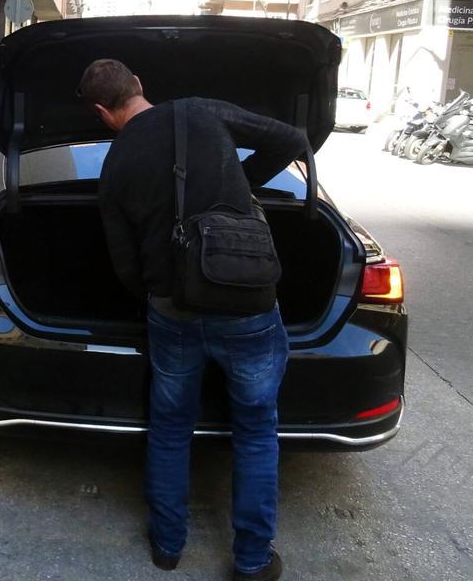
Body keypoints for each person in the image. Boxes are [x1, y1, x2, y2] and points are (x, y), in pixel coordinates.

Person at [76, 59, 307, 581]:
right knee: (254, 431)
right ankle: (252, 560)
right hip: (248, 308)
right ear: (140, 86)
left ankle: (167, 546)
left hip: (173, 313)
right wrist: (237, 192)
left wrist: (162, 293)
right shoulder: (202, 112)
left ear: (100, 112)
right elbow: (291, 139)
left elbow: (125, 267)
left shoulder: (113, 168)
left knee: (171, 428)